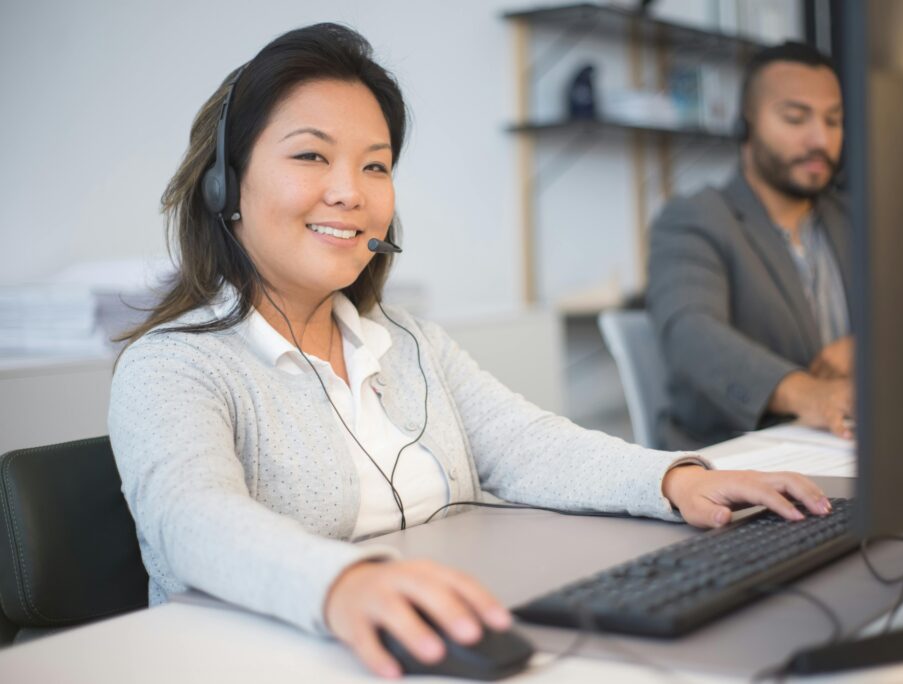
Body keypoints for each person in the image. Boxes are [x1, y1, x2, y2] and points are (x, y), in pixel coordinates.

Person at [109, 24, 832, 679]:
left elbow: (525, 443)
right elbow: (193, 518)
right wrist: (341, 583)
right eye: (310, 155)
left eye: (375, 166)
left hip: (435, 643)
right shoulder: (173, 367)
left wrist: (671, 481)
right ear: (224, 186)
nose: (349, 192)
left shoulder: (409, 343)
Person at [647, 41, 854, 451]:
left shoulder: (855, 216)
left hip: (843, 447)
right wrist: (809, 393)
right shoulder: (695, 217)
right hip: (738, 458)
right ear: (745, 127)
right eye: (796, 118)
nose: (820, 139)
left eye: (834, 121)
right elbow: (691, 332)